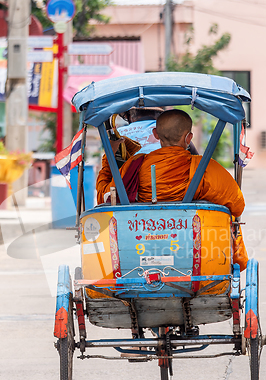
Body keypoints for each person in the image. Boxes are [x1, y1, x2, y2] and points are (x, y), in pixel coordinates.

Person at [96, 109, 248, 270]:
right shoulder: (203, 167)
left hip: (139, 244)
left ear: (155, 134)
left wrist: (109, 158)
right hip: (194, 247)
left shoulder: (135, 165)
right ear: (189, 137)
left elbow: (105, 197)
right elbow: (238, 205)